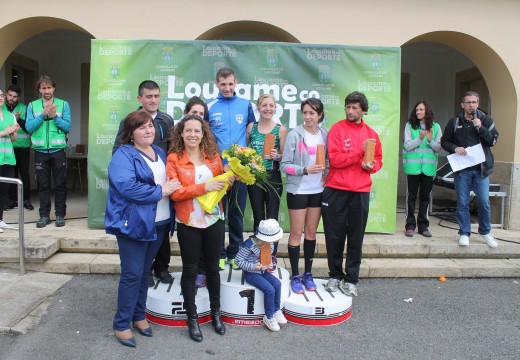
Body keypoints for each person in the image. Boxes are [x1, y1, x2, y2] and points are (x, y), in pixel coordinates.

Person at [105, 110, 180, 348]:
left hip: (159, 222)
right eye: (141, 127)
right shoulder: (123, 155)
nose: (148, 130)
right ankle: (121, 324)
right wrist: (161, 191)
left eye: (150, 126)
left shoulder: (159, 152)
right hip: (134, 224)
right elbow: (127, 187)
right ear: (130, 133)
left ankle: (138, 316)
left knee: (144, 271)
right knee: (131, 274)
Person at [166, 114, 234, 342]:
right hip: (188, 222)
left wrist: (228, 181)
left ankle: (216, 314)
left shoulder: (214, 158)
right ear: (181, 134)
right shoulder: (174, 159)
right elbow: (175, 193)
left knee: (213, 269)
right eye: (188, 131)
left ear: (204, 133)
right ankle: (192, 319)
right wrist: (204, 186)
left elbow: (220, 185)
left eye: (197, 131)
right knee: (190, 270)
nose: (193, 134)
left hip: (214, 219)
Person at [113, 80, 175, 286]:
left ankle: (162, 268)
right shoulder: (129, 120)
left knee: (161, 233)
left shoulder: (166, 119)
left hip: (163, 189)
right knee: (140, 244)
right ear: (140, 99)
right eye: (149, 96)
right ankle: (144, 272)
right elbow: (118, 150)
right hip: (143, 192)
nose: (153, 100)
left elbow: (173, 150)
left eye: (156, 96)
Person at [322, 91, 383, 297]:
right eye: (348, 107)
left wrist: (371, 165)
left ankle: (351, 279)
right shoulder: (337, 129)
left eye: (355, 108)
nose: (350, 111)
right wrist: (359, 153)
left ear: (363, 110)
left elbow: (378, 160)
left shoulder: (372, 134)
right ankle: (335, 275)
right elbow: (336, 160)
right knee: (334, 235)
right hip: (336, 189)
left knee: (356, 236)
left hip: (360, 191)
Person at [207, 67, 256, 270]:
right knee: (218, 213)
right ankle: (218, 253)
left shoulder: (246, 106)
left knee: (236, 213)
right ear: (216, 84)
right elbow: (205, 137)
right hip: (217, 170)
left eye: (230, 84)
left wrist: (245, 162)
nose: (227, 88)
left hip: (239, 171)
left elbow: (251, 135)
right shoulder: (209, 106)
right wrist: (218, 161)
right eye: (223, 84)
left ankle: (235, 253)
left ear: (236, 83)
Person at [280, 98, 327, 294]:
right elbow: (284, 166)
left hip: (317, 191)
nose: (307, 117)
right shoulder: (294, 135)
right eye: (305, 112)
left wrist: (326, 174)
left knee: (310, 234)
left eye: (312, 113)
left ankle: (308, 274)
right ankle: (295, 276)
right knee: (296, 234)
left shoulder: (325, 134)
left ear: (320, 116)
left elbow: (329, 161)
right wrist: (305, 170)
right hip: (298, 191)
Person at [441, 91, 499, 248]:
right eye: (468, 102)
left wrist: (480, 128)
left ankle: (486, 232)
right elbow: (444, 142)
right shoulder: (454, 122)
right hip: (463, 170)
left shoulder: (486, 120)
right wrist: (455, 148)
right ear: (462, 105)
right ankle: (464, 233)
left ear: (478, 103)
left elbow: (493, 140)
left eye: (474, 102)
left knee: (484, 202)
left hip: (482, 170)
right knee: (462, 203)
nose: (471, 105)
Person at [246, 94, 287, 268]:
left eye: (271, 105)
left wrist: (277, 156)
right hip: (255, 178)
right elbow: (246, 151)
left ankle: (271, 255)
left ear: (275, 108)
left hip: (273, 177)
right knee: (258, 217)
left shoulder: (280, 129)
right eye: (264, 105)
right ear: (258, 107)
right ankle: (258, 254)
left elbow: (285, 157)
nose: (268, 108)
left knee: (271, 219)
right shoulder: (251, 127)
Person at [26, 75, 71, 228]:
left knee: (60, 184)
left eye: (49, 87)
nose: (47, 91)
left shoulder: (63, 104)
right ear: (39, 90)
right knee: (43, 185)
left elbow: (67, 127)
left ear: (54, 88)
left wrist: (54, 117)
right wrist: (43, 115)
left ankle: (59, 215)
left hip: (58, 150)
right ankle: (44, 215)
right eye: (43, 88)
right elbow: (29, 127)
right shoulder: (32, 105)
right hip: (40, 151)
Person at [235, 219, 288, 332]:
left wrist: (270, 264)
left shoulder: (270, 244)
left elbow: (269, 257)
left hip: (264, 271)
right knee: (269, 290)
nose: (271, 242)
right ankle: (269, 316)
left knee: (277, 284)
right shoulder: (248, 245)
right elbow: (238, 261)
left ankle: (276, 310)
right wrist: (254, 267)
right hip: (251, 273)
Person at [402, 100, 443, 238]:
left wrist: (431, 140)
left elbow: (439, 148)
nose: (418, 112)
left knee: (425, 198)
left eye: (421, 109)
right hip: (413, 168)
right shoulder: (409, 126)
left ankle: (423, 226)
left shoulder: (436, 127)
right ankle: (410, 226)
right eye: (417, 110)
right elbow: (407, 146)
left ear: (427, 111)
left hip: (428, 168)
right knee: (411, 197)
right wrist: (419, 139)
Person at [2, 85, 33, 211]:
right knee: (10, 174)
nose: (11, 98)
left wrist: (19, 120)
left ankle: (25, 200)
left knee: (24, 173)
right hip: (6, 146)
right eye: (9, 95)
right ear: (6, 95)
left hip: (22, 146)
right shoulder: (1, 107)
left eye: (15, 97)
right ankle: (12, 200)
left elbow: (29, 128)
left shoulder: (25, 108)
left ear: (18, 97)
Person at [0, 88, 21, 233]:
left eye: (1, 95)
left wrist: (14, 132)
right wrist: (5, 132)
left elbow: (13, 139)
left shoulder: (9, 115)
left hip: (7, 158)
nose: (0, 98)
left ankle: (0, 220)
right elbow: (4, 133)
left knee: (4, 191)